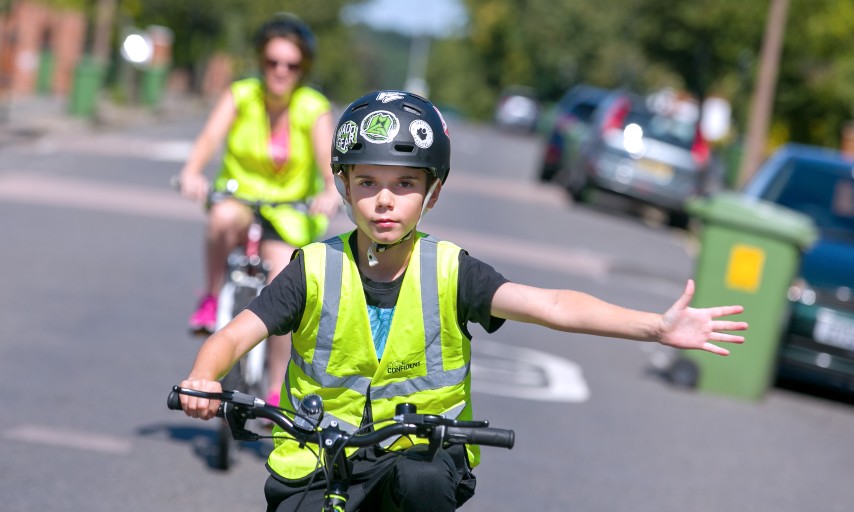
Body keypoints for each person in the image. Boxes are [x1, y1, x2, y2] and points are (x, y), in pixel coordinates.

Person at [177, 91, 748, 511]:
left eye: (404, 185)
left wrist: (656, 327)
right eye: (368, 181)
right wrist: (205, 375)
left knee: (423, 486)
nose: (384, 200)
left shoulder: (451, 272)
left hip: (417, 456)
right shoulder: (315, 268)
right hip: (316, 461)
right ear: (344, 187)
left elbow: (550, 304)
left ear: (433, 193)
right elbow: (235, 334)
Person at [178, 14, 339, 408]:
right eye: (272, 62)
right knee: (221, 219)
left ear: (303, 69)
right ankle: (213, 297)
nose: (281, 71)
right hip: (240, 199)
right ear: (261, 63)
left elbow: (326, 161)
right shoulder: (241, 94)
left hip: (288, 212)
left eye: (291, 65)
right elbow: (210, 137)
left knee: (285, 282)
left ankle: (277, 384)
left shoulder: (312, 107)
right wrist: (192, 171)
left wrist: (331, 191)